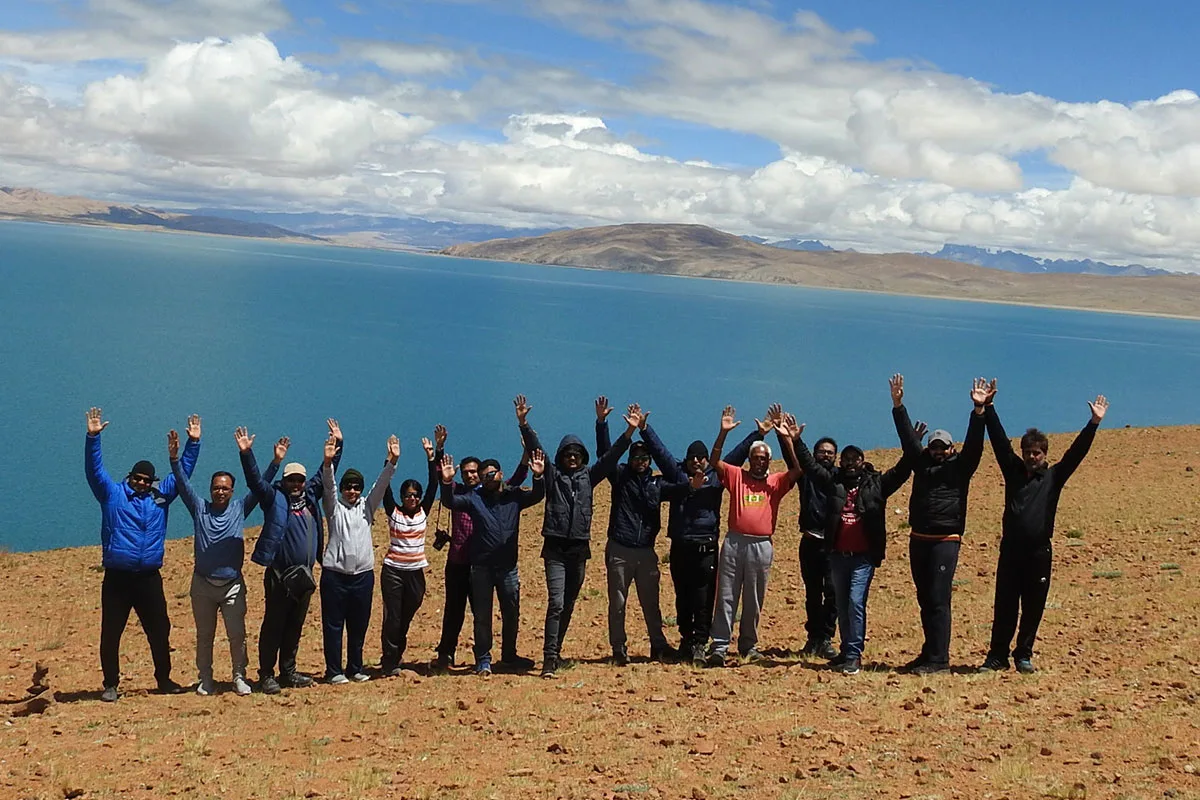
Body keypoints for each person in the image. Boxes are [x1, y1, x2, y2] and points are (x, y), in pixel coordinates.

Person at [978, 387, 1108, 674]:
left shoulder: (1053, 478)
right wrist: (988, 408)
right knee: (1005, 605)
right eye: (1027, 452)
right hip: (1011, 551)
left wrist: (1094, 423)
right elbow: (999, 442)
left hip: (1039, 553)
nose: (1031, 456)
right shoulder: (1013, 472)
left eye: (1036, 452)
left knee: (1033, 606)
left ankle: (1023, 654)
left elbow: (1076, 453)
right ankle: (997, 655)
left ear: (1045, 454)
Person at [85, 408, 199, 702]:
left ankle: (164, 679)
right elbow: (95, 471)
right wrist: (93, 437)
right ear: (130, 477)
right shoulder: (112, 494)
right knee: (111, 633)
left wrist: (193, 444)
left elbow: (182, 474)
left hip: (149, 578)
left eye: (147, 480)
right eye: (137, 479)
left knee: (160, 630)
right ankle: (111, 684)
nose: (142, 484)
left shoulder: (161, 498)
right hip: (118, 578)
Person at [639, 409, 766, 665]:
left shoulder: (716, 479)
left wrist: (759, 433)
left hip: (705, 547)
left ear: (707, 460)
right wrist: (644, 428)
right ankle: (686, 641)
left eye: (701, 457)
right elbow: (660, 452)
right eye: (692, 458)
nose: (697, 461)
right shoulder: (677, 476)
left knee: (703, 598)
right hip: (680, 546)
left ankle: (700, 642)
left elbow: (736, 455)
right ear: (686, 460)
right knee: (682, 596)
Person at [516, 394, 629, 678]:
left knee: (568, 604)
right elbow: (536, 449)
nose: (572, 457)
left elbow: (612, 455)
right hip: (554, 548)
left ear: (582, 457)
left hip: (579, 550)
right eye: (567, 454)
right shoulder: (553, 476)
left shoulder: (589, 478)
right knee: (556, 602)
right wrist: (524, 424)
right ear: (561, 456)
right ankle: (549, 660)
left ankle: (557, 652)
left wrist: (614, 427)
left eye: (576, 454)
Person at [791, 411, 913, 675]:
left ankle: (854, 655)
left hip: (862, 558)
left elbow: (905, 467)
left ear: (862, 460)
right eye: (845, 460)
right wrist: (796, 442)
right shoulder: (834, 484)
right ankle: (846, 650)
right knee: (844, 604)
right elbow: (811, 468)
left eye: (854, 459)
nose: (849, 463)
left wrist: (907, 429)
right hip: (837, 556)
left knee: (855, 602)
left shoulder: (877, 485)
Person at [171, 428, 286, 696]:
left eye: (225, 488)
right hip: (202, 585)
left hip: (232, 585)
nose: (220, 491)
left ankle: (239, 676)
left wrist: (275, 462)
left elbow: (260, 486)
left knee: (237, 635)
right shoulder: (199, 508)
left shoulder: (239, 508)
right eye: (216, 488)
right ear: (210, 490)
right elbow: (182, 485)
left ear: (232, 491)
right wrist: (175, 459)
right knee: (205, 636)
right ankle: (206, 679)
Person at [889, 374, 988, 674]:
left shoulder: (961, 467)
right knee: (924, 598)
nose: (938, 451)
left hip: (945, 541)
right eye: (934, 446)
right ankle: (929, 652)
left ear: (951, 448)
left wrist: (978, 412)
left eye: (943, 447)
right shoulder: (922, 464)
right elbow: (908, 440)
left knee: (938, 599)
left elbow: (974, 446)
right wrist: (898, 406)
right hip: (919, 539)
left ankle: (940, 660)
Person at [240, 419, 343, 695]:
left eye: (299, 479)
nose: (296, 484)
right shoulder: (273, 497)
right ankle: (265, 675)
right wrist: (248, 454)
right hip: (279, 575)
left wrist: (337, 444)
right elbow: (254, 482)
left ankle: (288, 671)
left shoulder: (311, 495)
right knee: (273, 624)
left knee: (295, 625)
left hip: (304, 575)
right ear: (283, 482)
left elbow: (328, 471)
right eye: (291, 480)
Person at [704, 406, 802, 667]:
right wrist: (723, 433)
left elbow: (797, 471)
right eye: (755, 458)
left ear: (769, 461)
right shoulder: (737, 476)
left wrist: (785, 439)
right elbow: (714, 462)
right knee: (726, 594)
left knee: (754, 597)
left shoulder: (776, 482)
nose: (759, 462)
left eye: (763, 458)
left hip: (761, 546)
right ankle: (720, 646)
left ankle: (749, 645)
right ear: (749, 460)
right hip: (735, 542)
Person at [439, 448, 547, 675]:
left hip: (508, 568)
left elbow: (537, 496)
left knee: (511, 612)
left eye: (492, 474)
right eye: (484, 475)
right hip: (482, 569)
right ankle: (483, 660)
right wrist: (447, 482)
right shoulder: (473, 499)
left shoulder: (514, 497)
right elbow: (450, 502)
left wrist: (537, 476)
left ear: (499, 474)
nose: (488, 478)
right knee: (482, 616)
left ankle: (509, 655)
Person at [594, 399, 675, 665]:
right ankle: (618, 649)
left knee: (651, 603)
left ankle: (658, 646)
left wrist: (645, 430)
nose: (640, 462)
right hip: (620, 549)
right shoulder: (620, 476)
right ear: (630, 460)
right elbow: (606, 457)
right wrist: (603, 424)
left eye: (644, 458)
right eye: (636, 458)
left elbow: (679, 478)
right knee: (617, 603)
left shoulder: (658, 484)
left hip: (646, 552)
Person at [321, 433, 398, 683]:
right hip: (335, 576)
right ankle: (333, 671)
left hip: (363, 577)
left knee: (359, 625)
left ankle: (355, 668)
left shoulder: (367, 507)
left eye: (356, 487)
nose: (352, 491)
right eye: (348, 486)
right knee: (333, 626)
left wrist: (392, 462)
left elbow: (381, 486)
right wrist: (327, 463)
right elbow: (328, 487)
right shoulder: (334, 508)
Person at [377, 434, 437, 676]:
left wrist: (431, 457)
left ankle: (396, 654)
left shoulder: (423, 512)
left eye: (415, 495)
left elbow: (434, 485)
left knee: (406, 615)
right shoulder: (394, 512)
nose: (412, 499)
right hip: (393, 572)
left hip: (415, 573)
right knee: (392, 617)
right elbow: (384, 487)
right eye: (407, 495)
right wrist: (391, 459)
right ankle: (390, 662)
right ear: (401, 498)